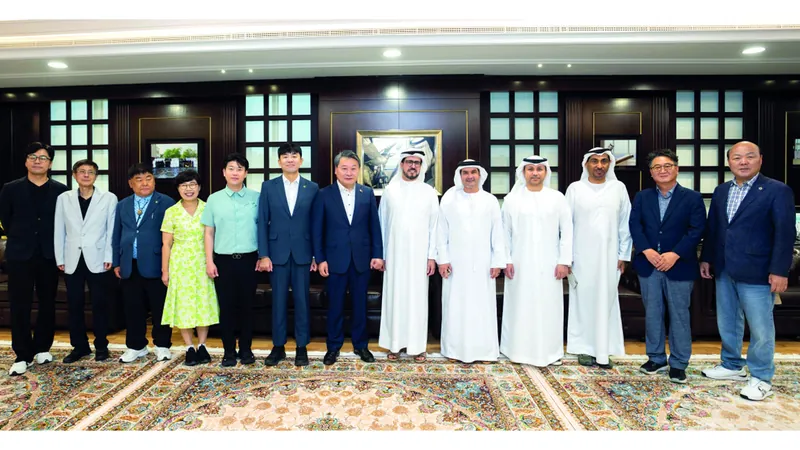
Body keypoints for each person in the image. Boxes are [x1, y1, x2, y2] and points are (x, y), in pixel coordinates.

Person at [699, 141, 795, 401]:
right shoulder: (721, 191)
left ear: (760, 159)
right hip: (724, 267)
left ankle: (761, 376)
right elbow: (714, 229)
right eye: (737, 157)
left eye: (749, 156)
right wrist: (707, 258)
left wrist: (780, 270)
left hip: (759, 270)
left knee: (760, 326)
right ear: (729, 162)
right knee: (728, 320)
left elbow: (785, 233)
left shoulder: (777, 190)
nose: (743, 162)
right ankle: (732, 364)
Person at [629, 149, 706, 384]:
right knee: (653, 313)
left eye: (667, 166)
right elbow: (635, 225)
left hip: (679, 266)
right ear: (651, 173)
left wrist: (675, 254)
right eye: (657, 167)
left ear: (676, 169)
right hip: (649, 264)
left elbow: (696, 230)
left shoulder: (692, 198)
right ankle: (656, 358)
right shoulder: (642, 197)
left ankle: (679, 363)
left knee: (679, 315)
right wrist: (647, 250)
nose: (662, 170)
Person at [0, 142, 68, 376]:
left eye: (43, 158)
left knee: (47, 301)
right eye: (33, 157)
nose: (37, 161)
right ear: (26, 161)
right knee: (20, 304)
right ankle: (22, 354)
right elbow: (6, 220)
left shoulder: (61, 190)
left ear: (50, 163)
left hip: (48, 254)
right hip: (20, 254)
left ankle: (42, 348)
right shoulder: (10, 188)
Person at [312, 150, 383, 366]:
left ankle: (361, 345)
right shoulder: (324, 194)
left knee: (360, 305)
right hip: (334, 259)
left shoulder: (366, 193)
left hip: (362, 259)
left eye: (353, 168)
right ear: (336, 170)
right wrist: (320, 258)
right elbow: (317, 230)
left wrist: (377, 254)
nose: (349, 172)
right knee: (335, 305)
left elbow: (374, 226)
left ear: (358, 170)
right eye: (344, 168)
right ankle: (333, 346)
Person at [500, 156, 572, 367]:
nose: (535, 173)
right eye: (530, 169)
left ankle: (550, 352)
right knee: (520, 306)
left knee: (549, 307)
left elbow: (567, 231)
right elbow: (504, 233)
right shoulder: (512, 200)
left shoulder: (557, 198)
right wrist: (506, 260)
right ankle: (516, 351)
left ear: (546, 172)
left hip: (550, 264)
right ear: (523, 172)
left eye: (539, 169)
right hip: (519, 264)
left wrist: (564, 261)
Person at [565, 147, 632, 369]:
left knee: (607, 300)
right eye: (594, 161)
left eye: (604, 161)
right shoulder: (575, 189)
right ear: (586, 164)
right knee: (583, 302)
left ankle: (604, 348)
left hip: (610, 257)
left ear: (609, 164)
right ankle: (584, 348)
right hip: (581, 257)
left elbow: (625, 224)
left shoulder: (618, 188)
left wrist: (623, 255)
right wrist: (567, 257)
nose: (599, 166)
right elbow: (566, 225)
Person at [437, 160, 505, 363]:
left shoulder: (490, 200)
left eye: (473, 172)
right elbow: (441, 232)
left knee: (482, 307)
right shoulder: (449, 199)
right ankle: (453, 351)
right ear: (459, 176)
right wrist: (443, 260)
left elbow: (498, 233)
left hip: (483, 264)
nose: (469, 176)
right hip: (455, 264)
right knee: (455, 306)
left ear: (479, 175)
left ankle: (484, 351)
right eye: (465, 173)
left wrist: (497, 262)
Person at [257, 143, 319, 367]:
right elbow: (262, 222)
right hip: (276, 254)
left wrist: (316, 255)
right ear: (279, 161)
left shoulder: (312, 187)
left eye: (294, 156)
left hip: (303, 253)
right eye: (285, 156)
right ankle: (278, 347)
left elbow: (316, 224)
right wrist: (263, 254)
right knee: (278, 302)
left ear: (301, 160)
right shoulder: (268, 186)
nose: (290, 159)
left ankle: (302, 347)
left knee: (302, 301)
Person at [378, 149, 439, 362]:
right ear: (402, 164)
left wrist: (431, 256)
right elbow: (382, 225)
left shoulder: (429, 192)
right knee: (394, 298)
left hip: (420, 257)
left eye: (417, 163)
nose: (413, 166)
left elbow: (435, 227)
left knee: (417, 300)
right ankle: (394, 345)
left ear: (421, 167)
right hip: (394, 256)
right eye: (409, 162)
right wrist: (381, 255)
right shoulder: (390, 191)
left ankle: (417, 347)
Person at [54, 159, 118, 364]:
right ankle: (79, 346)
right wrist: (60, 257)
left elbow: (111, 230)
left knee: (100, 304)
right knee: (74, 304)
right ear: (74, 175)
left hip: (98, 258)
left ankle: (101, 346)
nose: (86, 175)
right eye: (82, 171)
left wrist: (109, 255)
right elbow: (59, 229)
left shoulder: (108, 198)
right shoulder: (64, 198)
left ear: (96, 176)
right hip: (72, 258)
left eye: (91, 172)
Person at [201, 153, 260, 367]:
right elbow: (209, 233)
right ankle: (228, 351)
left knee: (247, 307)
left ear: (246, 173)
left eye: (240, 169)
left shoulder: (256, 198)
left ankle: (246, 349)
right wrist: (209, 261)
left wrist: (263, 256)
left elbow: (264, 229)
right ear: (224, 172)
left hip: (249, 260)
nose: (235, 173)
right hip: (223, 261)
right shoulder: (214, 199)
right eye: (231, 168)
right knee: (226, 307)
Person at [112, 163, 175, 363]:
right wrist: (116, 262)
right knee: (132, 308)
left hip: (156, 263)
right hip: (129, 263)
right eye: (139, 180)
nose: (144, 183)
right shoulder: (122, 205)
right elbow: (116, 234)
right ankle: (136, 346)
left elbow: (172, 236)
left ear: (154, 181)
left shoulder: (166, 202)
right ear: (131, 184)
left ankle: (162, 345)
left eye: (148, 178)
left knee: (159, 307)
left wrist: (169, 265)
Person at [161, 170, 219, 366]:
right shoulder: (171, 212)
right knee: (184, 306)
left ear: (199, 187)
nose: (188, 189)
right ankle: (189, 347)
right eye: (184, 185)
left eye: (192, 184)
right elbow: (166, 244)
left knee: (203, 304)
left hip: (203, 262)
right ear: (178, 189)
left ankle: (202, 345)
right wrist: (165, 270)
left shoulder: (208, 208)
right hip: (180, 264)